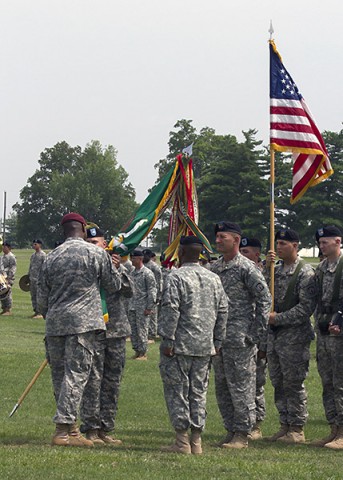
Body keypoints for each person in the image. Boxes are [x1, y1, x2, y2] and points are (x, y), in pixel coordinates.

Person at [37, 212, 122, 447]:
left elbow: (41, 300)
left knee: (60, 377)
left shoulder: (51, 257)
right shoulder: (96, 253)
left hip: (55, 324)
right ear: (83, 229)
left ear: (63, 231)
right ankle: (63, 430)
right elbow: (113, 286)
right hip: (82, 324)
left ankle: (72, 430)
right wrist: (113, 266)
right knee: (76, 376)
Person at [158, 235, 228, 454]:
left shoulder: (176, 277)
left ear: (181, 252)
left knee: (177, 392)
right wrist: (217, 340)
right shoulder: (214, 278)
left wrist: (167, 340)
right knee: (198, 392)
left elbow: (171, 310)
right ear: (199, 253)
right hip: (204, 346)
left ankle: (182, 441)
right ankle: (196, 441)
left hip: (180, 345)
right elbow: (223, 310)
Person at [211, 221, 271, 449]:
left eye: (222, 237)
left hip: (240, 338)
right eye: (216, 237)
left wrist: (255, 334)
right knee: (223, 386)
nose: (217, 240)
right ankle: (231, 429)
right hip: (219, 339)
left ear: (235, 240)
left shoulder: (246, 268)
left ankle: (243, 433)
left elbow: (265, 299)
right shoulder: (216, 268)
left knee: (242, 386)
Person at [80, 225, 133, 445]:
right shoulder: (85, 267)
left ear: (105, 244)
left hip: (116, 330)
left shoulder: (119, 266)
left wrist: (117, 269)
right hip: (94, 329)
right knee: (93, 380)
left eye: (97, 243)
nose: (94, 247)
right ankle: (91, 429)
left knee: (112, 382)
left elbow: (130, 290)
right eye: (89, 244)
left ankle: (106, 429)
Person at [265, 229, 316, 443]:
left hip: (294, 336)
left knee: (293, 382)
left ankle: (297, 428)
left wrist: (278, 318)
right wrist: (267, 268)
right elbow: (265, 292)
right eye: (277, 243)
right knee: (278, 381)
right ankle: (284, 424)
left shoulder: (305, 273)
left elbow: (306, 308)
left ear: (295, 246)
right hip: (275, 337)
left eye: (283, 244)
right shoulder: (276, 270)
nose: (278, 247)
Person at [312, 225, 343, 450]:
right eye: (320, 243)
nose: (321, 246)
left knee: (341, 382)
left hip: (339, 331)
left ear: (338, 242)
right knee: (327, 381)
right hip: (323, 330)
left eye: (325, 242)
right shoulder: (322, 267)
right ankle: (334, 429)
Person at [239, 236, 267, 440]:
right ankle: (246, 423)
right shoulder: (240, 270)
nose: (242, 254)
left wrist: (257, 334)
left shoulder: (264, 272)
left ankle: (256, 422)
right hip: (243, 334)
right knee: (247, 381)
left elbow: (265, 301)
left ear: (257, 254)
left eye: (246, 252)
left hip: (258, 333)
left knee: (257, 381)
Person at [128, 249, 157, 360]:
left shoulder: (147, 273)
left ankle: (143, 353)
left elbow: (152, 291)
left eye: (133, 258)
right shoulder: (132, 272)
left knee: (142, 330)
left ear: (140, 259)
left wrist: (149, 307)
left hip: (143, 306)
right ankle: (137, 351)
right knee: (133, 331)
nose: (131, 260)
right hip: (132, 305)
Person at [143, 248, 162, 341]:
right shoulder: (143, 265)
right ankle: (145, 334)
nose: (145, 257)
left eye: (147, 255)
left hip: (153, 293)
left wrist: (158, 295)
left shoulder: (154, 267)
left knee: (153, 315)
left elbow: (159, 281)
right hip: (143, 294)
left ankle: (152, 335)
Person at [28, 239, 46, 318]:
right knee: (33, 295)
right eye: (33, 244)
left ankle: (40, 313)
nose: (34, 246)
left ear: (40, 245)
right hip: (32, 278)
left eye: (35, 244)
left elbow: (45, 267)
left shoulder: (43, 255)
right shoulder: (33, 255)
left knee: (39, 295)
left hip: (39, 279)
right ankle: (35, 311)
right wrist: (28, 276)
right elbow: (31, 266)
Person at [0, 241, 17, 316]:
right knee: (2, 293)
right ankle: (4, 308)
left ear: (9, 248)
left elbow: (13, 268)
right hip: (1, 278)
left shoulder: (11, 256)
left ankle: (8, 309)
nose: (3, 248)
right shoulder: (2, 257)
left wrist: (9, 278)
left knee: (7, 292)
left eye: (5, 247)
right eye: (3, 247)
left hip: (8, 277)